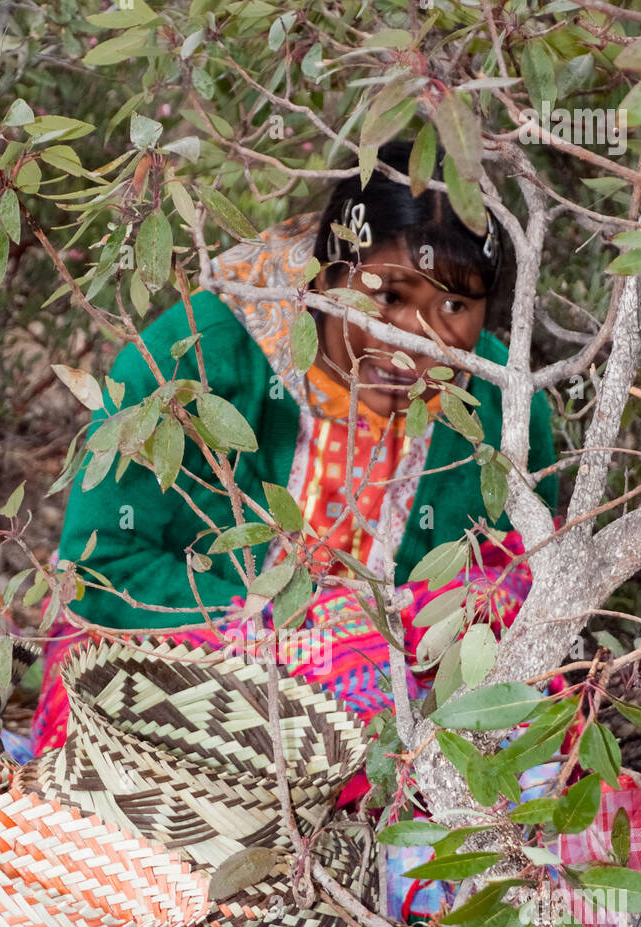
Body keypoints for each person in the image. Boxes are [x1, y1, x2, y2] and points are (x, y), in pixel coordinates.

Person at [55, 138, 556, 632]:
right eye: (387, 295)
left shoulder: (500, 401)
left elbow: (525, 572)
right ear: (326, 277)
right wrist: (289, 631)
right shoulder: (192, 358)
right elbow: (100, 568)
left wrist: (418, 630)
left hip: (410, 690)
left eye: (453, 306)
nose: (415, 341)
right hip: (188, 671)